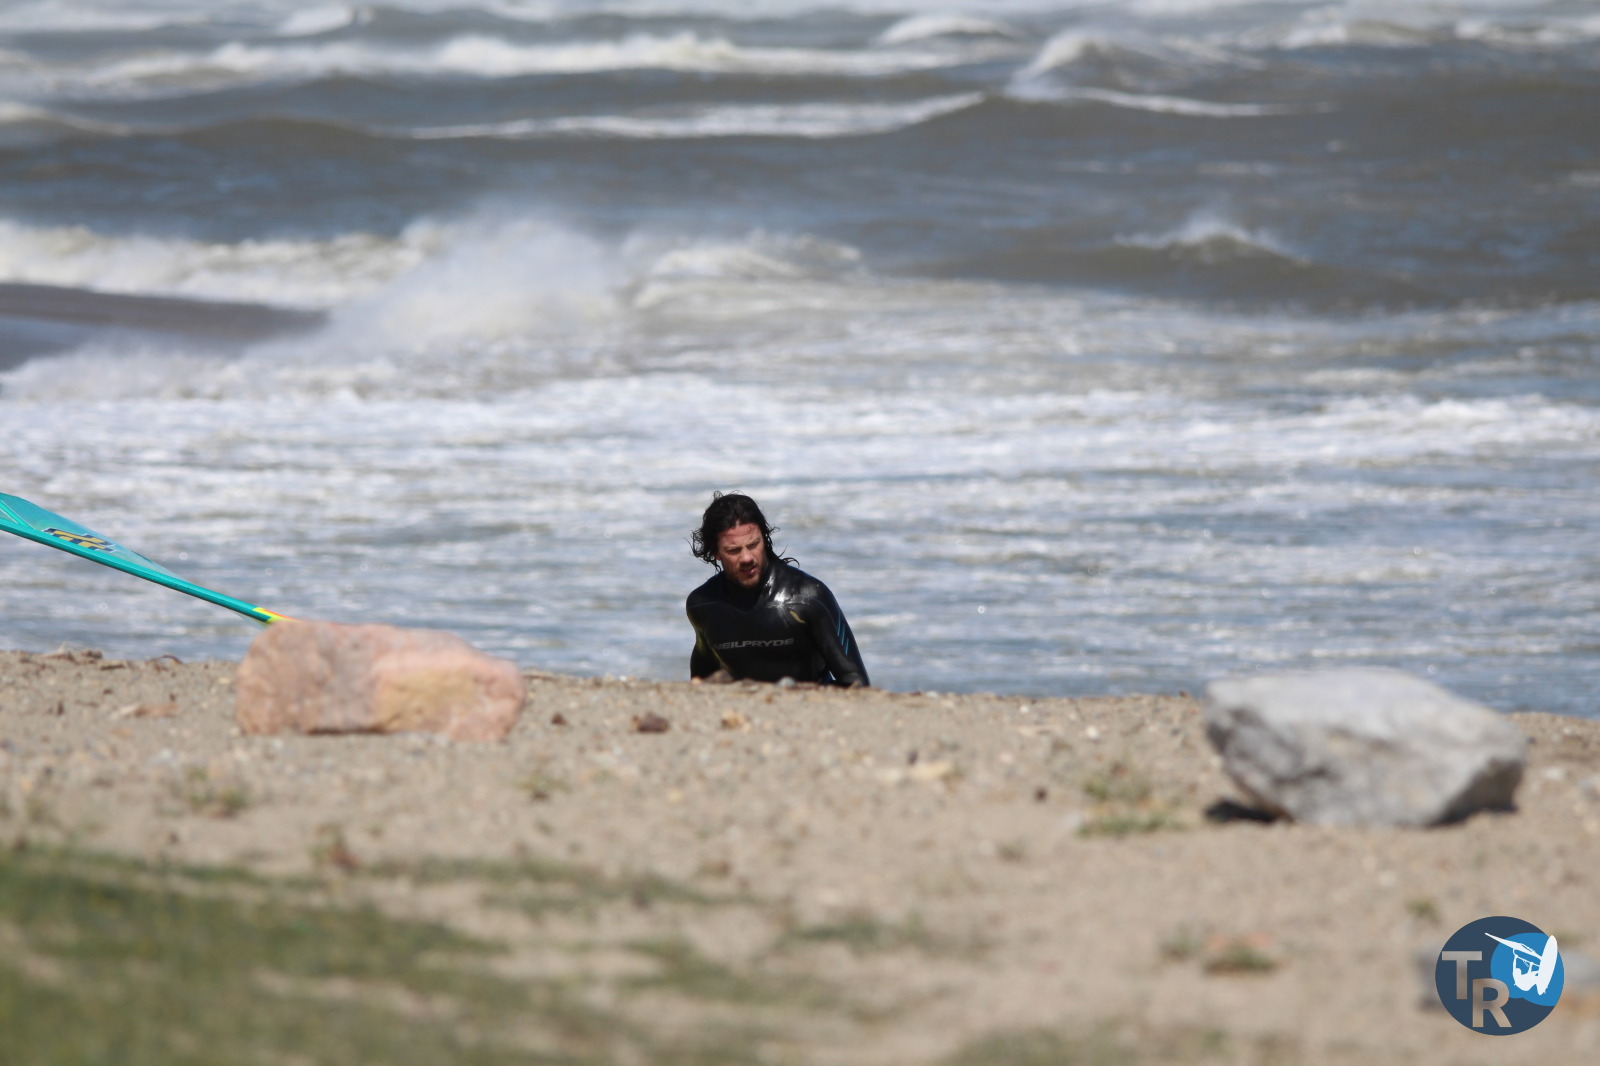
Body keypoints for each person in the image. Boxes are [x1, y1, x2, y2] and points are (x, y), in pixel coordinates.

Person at [686, 492, 869, 687]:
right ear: (715, 552)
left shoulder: (807, 597)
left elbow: (857, 684)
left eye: (754, 544)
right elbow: (701, 685)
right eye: (734, 550)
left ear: (764, 540)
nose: (747, 558)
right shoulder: (703, 605)